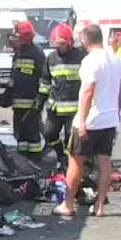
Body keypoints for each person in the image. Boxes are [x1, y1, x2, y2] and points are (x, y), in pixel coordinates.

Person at [55, 24, 121, 219]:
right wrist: (118, 112)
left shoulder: (89, 61)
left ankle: (68, 204)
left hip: (91, 119)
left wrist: (83, 121)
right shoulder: (115, 59)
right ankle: (100, 206)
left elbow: (88, 91)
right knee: (105, 163)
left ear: (86, 39)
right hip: (109, 119)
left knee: (76, 161)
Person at [39, 22, 86, 174]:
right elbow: (46, 81)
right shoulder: (51, 58)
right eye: (56, 43)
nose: (58, 47)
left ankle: (70, 167)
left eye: (62, 43)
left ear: (70, 42)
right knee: (49, 133)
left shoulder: (81, 57)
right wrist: (40, 101)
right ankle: (61, 157)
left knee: (70, 140)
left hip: (74, 109)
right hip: (55, 107)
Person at [5, 21, 46, 159]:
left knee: (32, 134)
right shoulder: (19, 53)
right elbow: (14, 77)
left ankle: (36, 160)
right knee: (20, 134)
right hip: (18, 102)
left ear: (25, 37)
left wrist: (39, 100)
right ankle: (23, 158)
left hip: (31, 103)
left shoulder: (37, 53)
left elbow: (44, 78)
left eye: (18, 36)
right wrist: (7, 95)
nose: (15, 39)